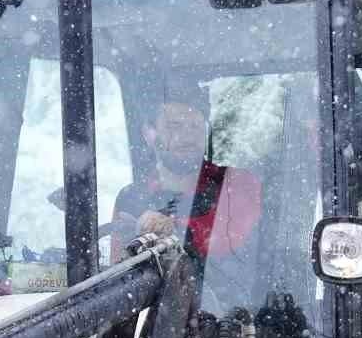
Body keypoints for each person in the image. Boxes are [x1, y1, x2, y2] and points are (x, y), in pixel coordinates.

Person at [111, 101, 263, 311]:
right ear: (149, 133)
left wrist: (169, 230)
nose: (188, 137)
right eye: (175, 126)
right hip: (150, 327)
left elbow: (224, 239)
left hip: (232, 323)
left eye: (195, 127)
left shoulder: (235, 183)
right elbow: (117, 278)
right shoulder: (131, 198)